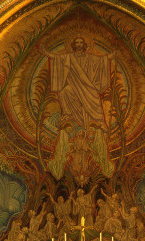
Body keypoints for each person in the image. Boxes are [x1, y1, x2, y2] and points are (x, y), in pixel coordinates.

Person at [40, 36, 116, 178]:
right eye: (77, 43)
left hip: (88, 88)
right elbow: (57, 58)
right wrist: (48, 54)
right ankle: (68, 114)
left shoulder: (90, 58)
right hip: (73, 87)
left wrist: (109, 57)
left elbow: (101, 61)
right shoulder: (68, 57)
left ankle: (97, 121)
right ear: (74, 45)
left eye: (81, 43)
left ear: (85, 45)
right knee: (64, 91)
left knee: (93, 97)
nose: (79, 45)